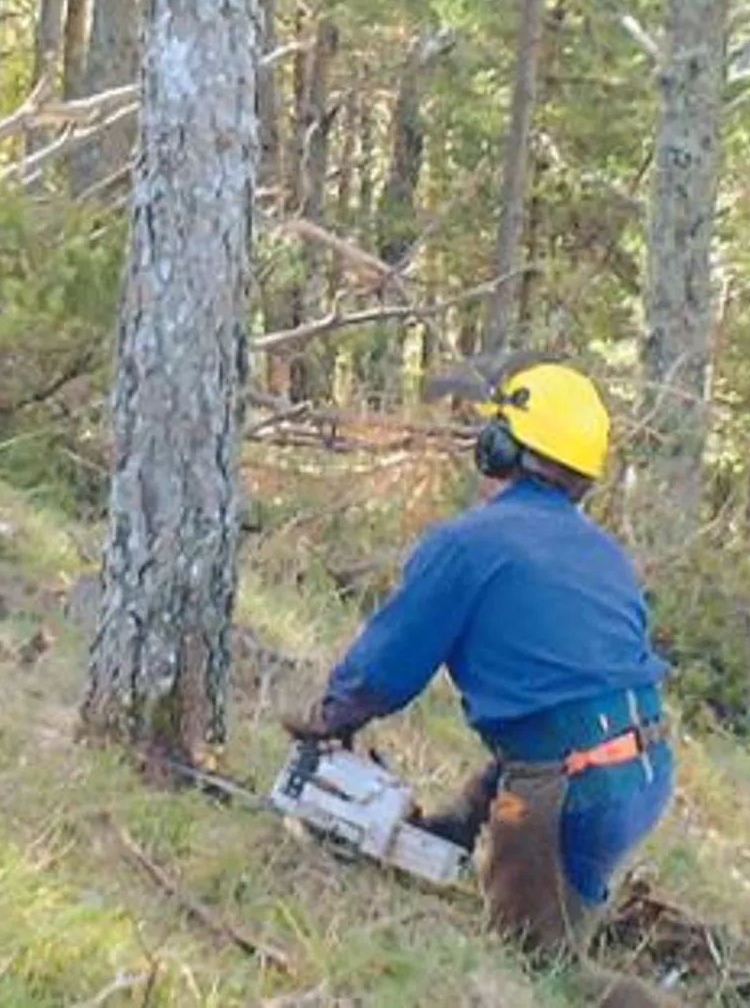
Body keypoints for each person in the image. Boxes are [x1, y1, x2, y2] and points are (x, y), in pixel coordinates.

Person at [282, 360, 675, 966]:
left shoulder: (468, 543)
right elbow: (566, 702)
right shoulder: (605, 555)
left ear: (499, 450)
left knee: (535, 971)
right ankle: (550, 895)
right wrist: (468, 814)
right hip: (642, 773)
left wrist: (328, 721)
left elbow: (387, 665)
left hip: (574, 787)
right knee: (560, 903)